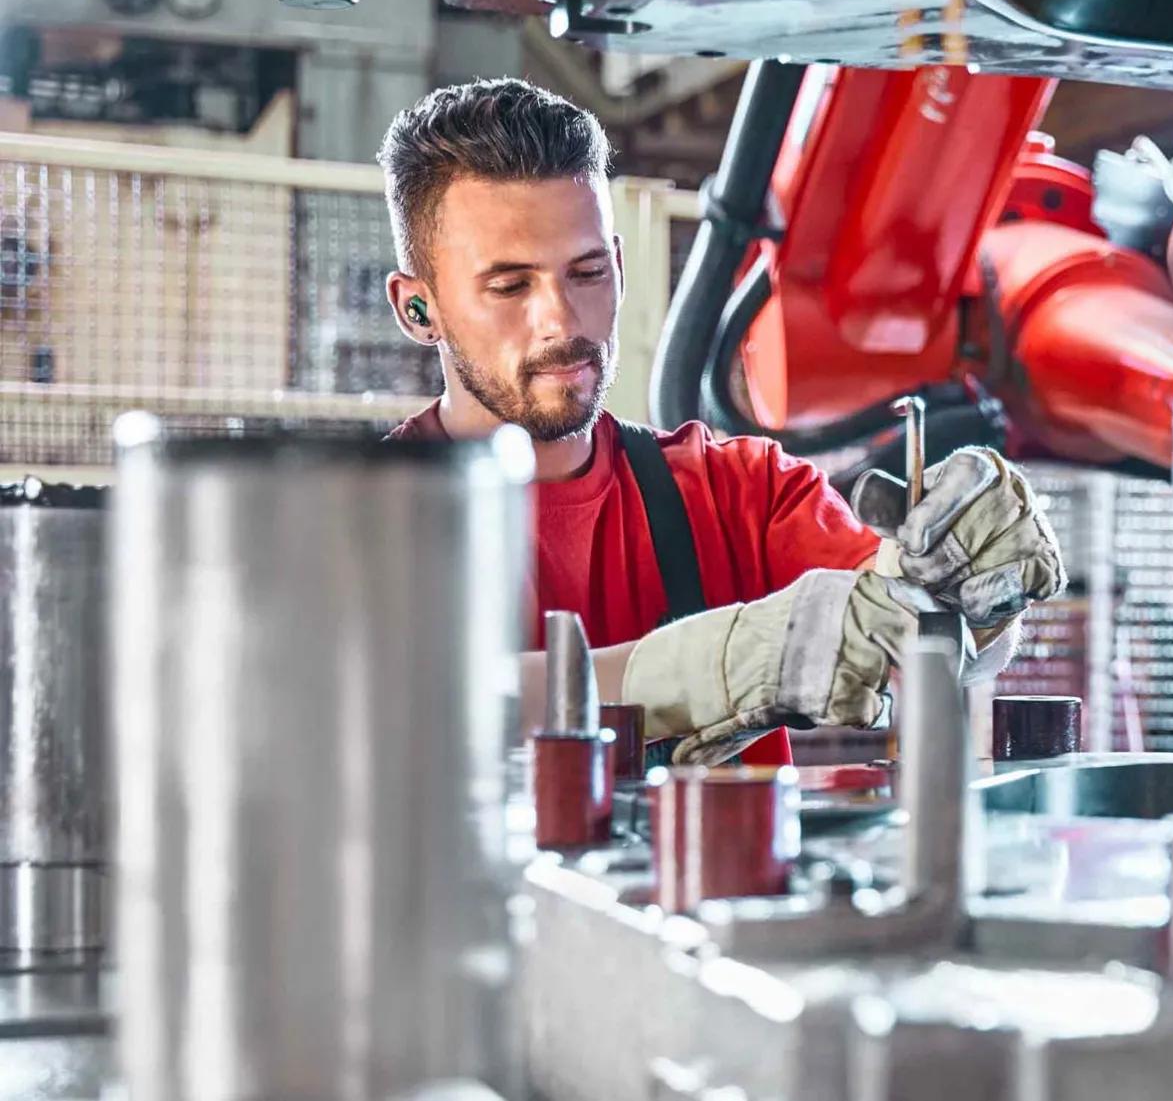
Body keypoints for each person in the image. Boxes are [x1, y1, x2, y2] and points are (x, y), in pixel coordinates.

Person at [377, 78, 1064, 764]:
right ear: (418, 309)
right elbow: (414, 711)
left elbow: (921, 632)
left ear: (619, 265)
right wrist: (708, 669)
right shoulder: (357, 527)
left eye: (587, 272)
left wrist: (976, 582)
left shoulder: (742, 492)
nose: (560, 319)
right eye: (510, 285)